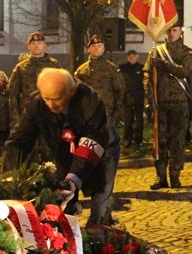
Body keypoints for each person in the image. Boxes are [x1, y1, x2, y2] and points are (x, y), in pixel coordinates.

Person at [4, 68, 119, 225]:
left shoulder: (90, 102)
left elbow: (91, 143)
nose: (50, 105)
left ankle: (101, 226)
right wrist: (10, 176)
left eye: (57, 99)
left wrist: (73, 180)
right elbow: (20, 140)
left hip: (101, 149)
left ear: (71, 91)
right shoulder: (37, 103)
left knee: (100, 194)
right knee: (62, 199)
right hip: (64, 149)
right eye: (46, 98)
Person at [74, 34, 125, 224]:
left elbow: (120, 93)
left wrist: (116, 117)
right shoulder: (81, 71)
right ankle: (100, 212)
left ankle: (104, 214)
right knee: (93, 168)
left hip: (107, 123)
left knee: (108, 167)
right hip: (88, 126)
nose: (97, 48)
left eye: (100, 46)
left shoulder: (111, 69)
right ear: (89, 48)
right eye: (94, 46)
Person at [143, 23, 192, 189]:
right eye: (169, 30)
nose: (172, 33)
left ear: (180, 32)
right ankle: (161, 176)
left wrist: (164, 64)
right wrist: (150, 100)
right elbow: (147, 78)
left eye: (175, 30)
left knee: (177, 141)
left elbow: (185, 72)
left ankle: (175, 175)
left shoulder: (186, 52)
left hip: (179, 103)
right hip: (161, 103)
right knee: (160, 141)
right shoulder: (155, 52)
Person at [8, 32, 59, 127]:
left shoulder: (54, 65)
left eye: (39, 43)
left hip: (49, 117)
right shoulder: (21, 67)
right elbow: (13, 94)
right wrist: (16, 120)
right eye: (33, 43)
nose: (36, 46)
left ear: (44, 45)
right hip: (27, 117)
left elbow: (61, 91)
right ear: (28, 46)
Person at [118, 50, 145, 148]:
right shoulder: (122, 68)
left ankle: (138, 139)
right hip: (127, 98)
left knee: (139, 121)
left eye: (134, 56)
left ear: (137, 57)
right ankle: (127, 139)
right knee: (128, 120)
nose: (132, 58)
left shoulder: (142, 68)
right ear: (127, 58)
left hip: (139, 98)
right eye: (130, 57)